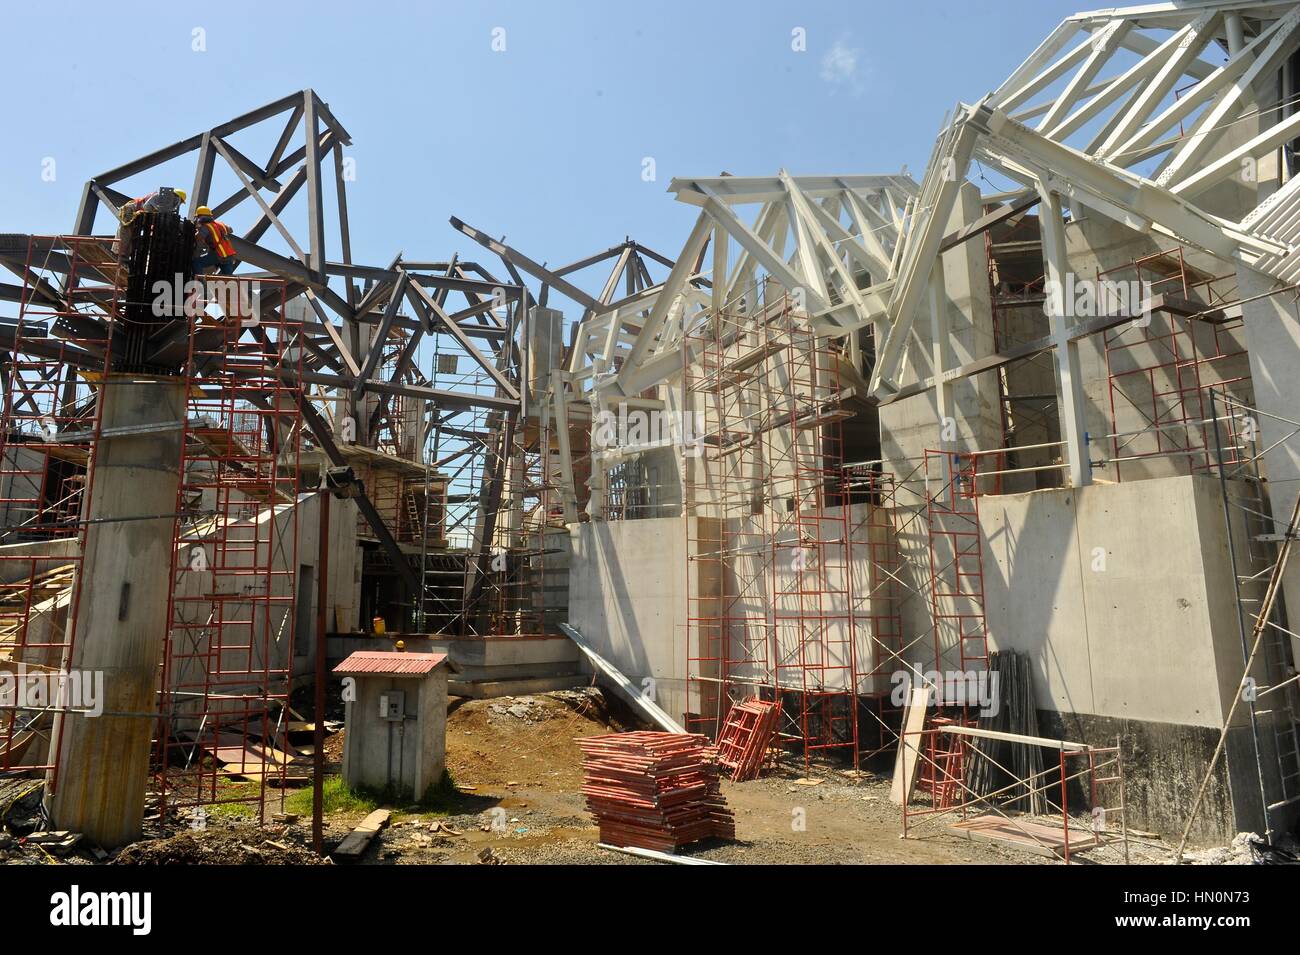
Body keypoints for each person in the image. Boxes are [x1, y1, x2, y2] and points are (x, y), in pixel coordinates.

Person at [116, 187, 187, 262]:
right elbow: (146, 207)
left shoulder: (165, 203)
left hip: (138, 213)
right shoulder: (159, 197)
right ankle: (121, 255)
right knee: (127, 231)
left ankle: (125, 256)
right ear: (177, 197)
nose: (179, 204)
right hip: (131, 210)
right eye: (181, 202)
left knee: (134, 235)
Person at [192, 206, 239, 276]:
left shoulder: (206, 227)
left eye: (198, 217)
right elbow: (231, 229)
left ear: (200, 217)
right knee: (228, 279)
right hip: (229, 255)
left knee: (196, 263)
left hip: (218, 254)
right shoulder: (220, 224)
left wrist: (195, 230)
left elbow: (198, 238)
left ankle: (200, 283)